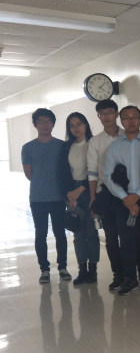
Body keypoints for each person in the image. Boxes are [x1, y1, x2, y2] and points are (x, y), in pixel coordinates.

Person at [103, 106, 140, 295]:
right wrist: (126, 198)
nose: (131, 121)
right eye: (126, 118)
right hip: (122, 201)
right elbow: (107, 176)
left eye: (135, 117)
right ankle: (130, 278)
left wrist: (137, 195)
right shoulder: (114, 147)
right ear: (121, 121)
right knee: (126, 241)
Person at [21, 108, 71, 284]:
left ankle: (63, 267)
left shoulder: (62, 146)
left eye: (48, 121)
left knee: (60, 233)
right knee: (40, 233)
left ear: (53, 124)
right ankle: (44, 270)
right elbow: (29, 174)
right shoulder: (28, 148)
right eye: (41, 121)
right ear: (35, 124)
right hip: (38, 198)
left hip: (58, 197)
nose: (45, 124)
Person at [59, 112, 100, 285]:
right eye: (72, 125)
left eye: (79, 124)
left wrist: (80, 190)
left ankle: (93, 269)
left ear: (86, 125)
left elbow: (96, 170)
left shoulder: (93, 143)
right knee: (78, 232)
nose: (76, 128)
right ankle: (82, 269)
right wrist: (70, 196)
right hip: (72, 192)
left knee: (91, 232)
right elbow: (62, 173)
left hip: (90, 189)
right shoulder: (66, 147)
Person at [87, 100, 124, 287]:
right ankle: (118, 274)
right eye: (102, 113)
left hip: (128, 194)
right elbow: (92, 172)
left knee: (129, 236)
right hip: (106, 194)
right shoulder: (95, 141)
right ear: (99, 117)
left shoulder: (127, 135)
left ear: (117, 114)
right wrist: (93, 199)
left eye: (110, 112)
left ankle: (134, 273)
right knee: (111, 237)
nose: (106, 116)